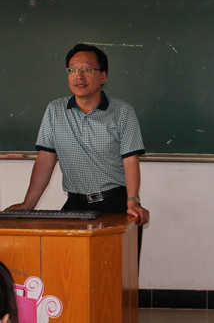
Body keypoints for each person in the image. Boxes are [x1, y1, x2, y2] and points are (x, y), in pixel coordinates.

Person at [6, 44, 149, 247]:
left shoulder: (122, 112)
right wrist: (28, 204)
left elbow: (130, 160)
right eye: (72, 69)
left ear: (103, 77)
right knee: (65, 261)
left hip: (115, 204)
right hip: (75, 205)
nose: (79, 76)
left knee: (116, 264)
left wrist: (132, 201)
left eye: (87, 69)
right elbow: (45, 160)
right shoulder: (55, 110)